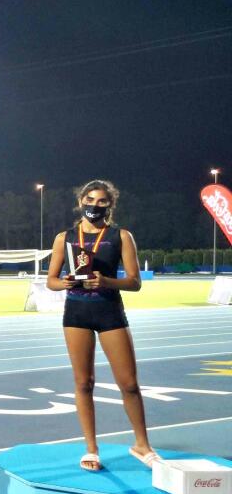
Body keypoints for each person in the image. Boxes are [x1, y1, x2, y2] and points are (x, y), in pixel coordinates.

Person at [45, 179, 156, 471]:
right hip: (77, 313)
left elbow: (135, 282)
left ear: (110, 205)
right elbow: (51, 281)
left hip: (109, 312)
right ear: (81, 201)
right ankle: (91, 449)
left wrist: (106, 281)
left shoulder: (121, 236)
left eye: (102, 201)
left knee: (129, 384)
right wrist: (65, 282)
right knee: (84, 383)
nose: (95, 205)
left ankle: (142, 445)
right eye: (90, 199)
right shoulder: (64, 238)